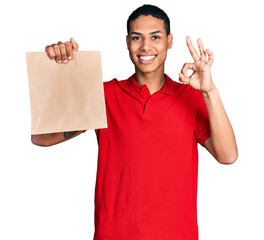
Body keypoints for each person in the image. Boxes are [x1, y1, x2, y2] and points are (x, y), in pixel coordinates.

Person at [31, 4, 238, 240]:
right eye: (137, 37)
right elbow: (41, 137)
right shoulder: (106, 95)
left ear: (169, 41)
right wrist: (60, 70)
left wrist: (209, 91)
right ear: (127, 42)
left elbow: (228, 155)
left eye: (155, 37)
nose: (146, 46)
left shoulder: (190, 97)